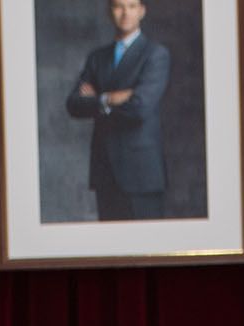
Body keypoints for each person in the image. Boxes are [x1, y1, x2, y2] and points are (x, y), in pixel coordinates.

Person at [64, 0, 171, 220]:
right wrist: (109, 98)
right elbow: (73, 104)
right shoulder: (97, 57)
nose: (125, 13)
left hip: (141, 173)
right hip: (105, 170)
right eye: (118, 7)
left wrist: (96, 101)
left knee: (146, 248)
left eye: (132, 6)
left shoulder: (155, 55)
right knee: (110, 249)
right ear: (109, 12)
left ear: (142, 11)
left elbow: (139, 109)